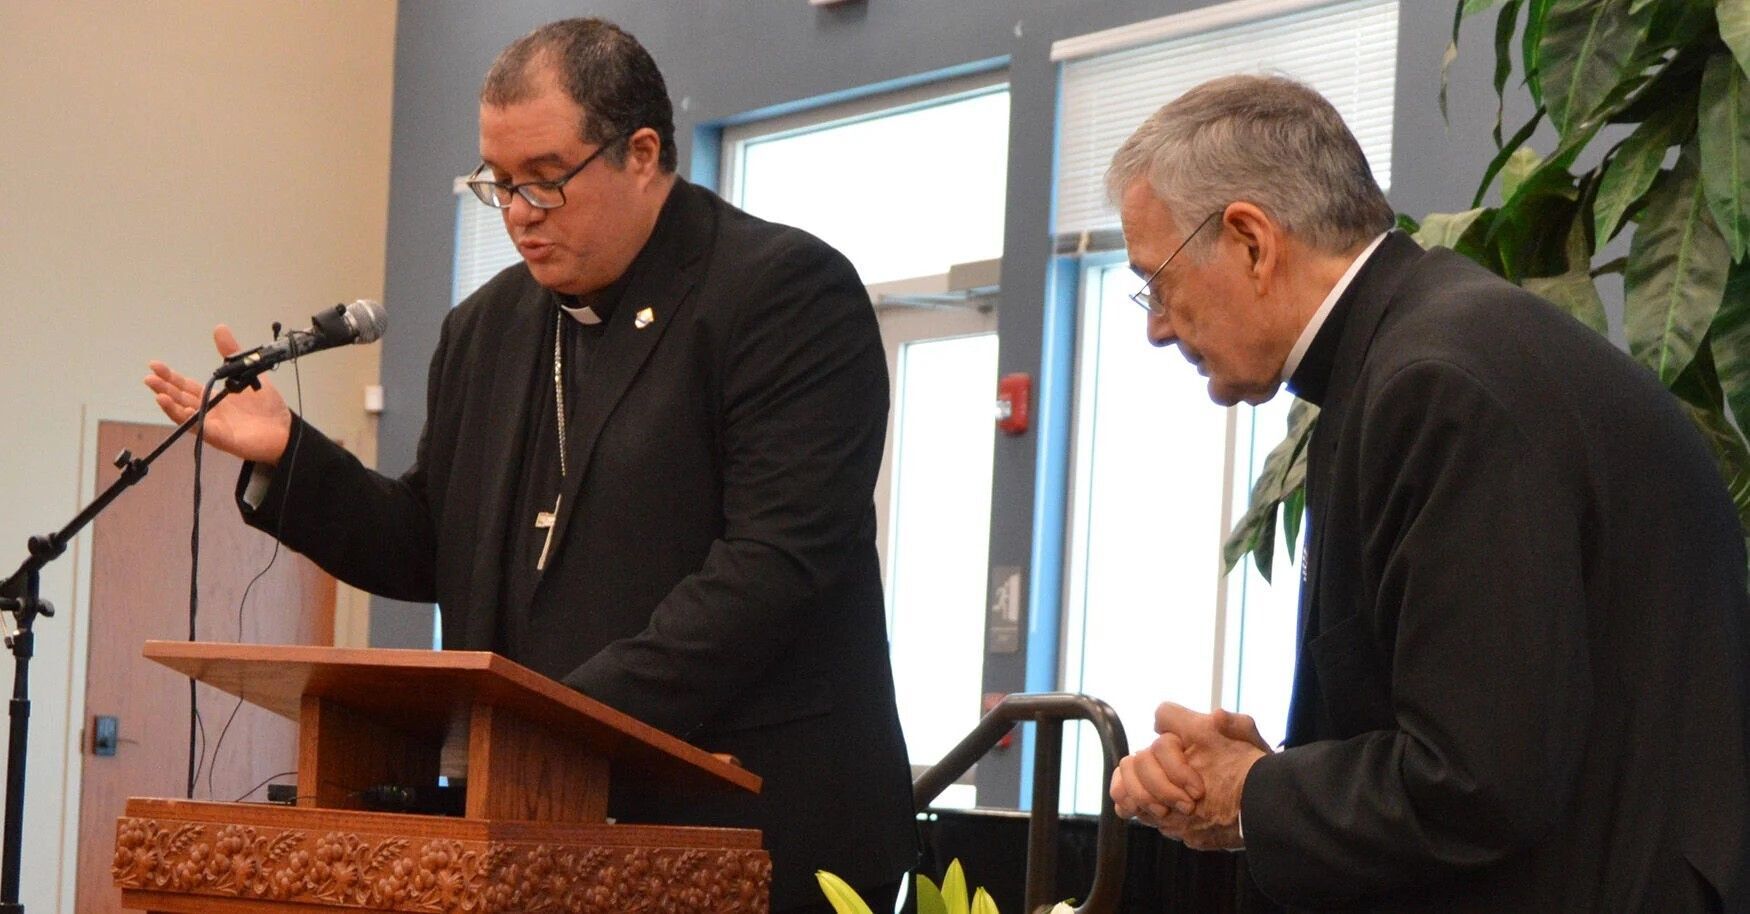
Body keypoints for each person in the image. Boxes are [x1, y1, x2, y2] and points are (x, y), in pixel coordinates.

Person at [144, 18, 916, 913]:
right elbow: (433, 544)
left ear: (640, 152)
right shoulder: (488, 328)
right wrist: (292, 459)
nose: (516, 214)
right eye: (498, 185)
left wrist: (556, 724)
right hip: (537, 828)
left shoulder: (781, 294)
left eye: (544, 182)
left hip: (756, 819)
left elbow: (774, 565)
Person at [1104, 74, 1749, 911]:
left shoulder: (1435, 381)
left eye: (1157, 283)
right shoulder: (1429, 346)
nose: (1157, 327)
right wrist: (1273, 777)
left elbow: (1483, 779)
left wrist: (1255, 794)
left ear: (1252, 241)